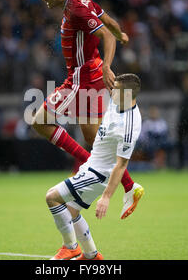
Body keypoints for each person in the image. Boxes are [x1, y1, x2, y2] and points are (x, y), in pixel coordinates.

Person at [33, 0, 143, 219]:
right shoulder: (82, 0)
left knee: (39, 121)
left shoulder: (76, 10)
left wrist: (107, 64)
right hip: (86, 75)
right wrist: (121, 33)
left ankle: (92, 168)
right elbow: (109, 23)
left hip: (82, 78)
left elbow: (104, 34)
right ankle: (129, 185)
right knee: (94, 141)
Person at [45, 74, 142, 260]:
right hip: (91, 166)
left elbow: (121, 165)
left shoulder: (129, 125)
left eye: (116, 90)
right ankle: (91, 255)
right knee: (71, 212)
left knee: (52, 197)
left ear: (127, 96)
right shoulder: (119, 102)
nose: (111, 92)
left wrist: (106, 197)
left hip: (99, 174)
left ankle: (70, 247)